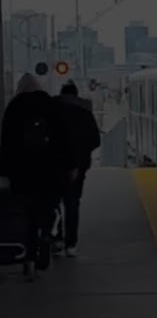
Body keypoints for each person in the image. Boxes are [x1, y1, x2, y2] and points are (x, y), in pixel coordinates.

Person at [0, 74, 78, 278]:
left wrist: (6, 172)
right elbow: (64, 139)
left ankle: (29, 258)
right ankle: (45, 237)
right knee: (47, 211)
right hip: (50, 173)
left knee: (27, 216)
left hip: (22, 175)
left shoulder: (13, 109)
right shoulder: (51, 106)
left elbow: (6, 145)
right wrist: (70, 167)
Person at [52, 81, 101, 257]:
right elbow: (96, 140)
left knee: (54, 203)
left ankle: (56, 239)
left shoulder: (52, 112)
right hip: (77, 168)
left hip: (54, 166)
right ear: (76, 95)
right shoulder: (84, 113)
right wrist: (81, 157)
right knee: (72, 204)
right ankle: (71, 244)